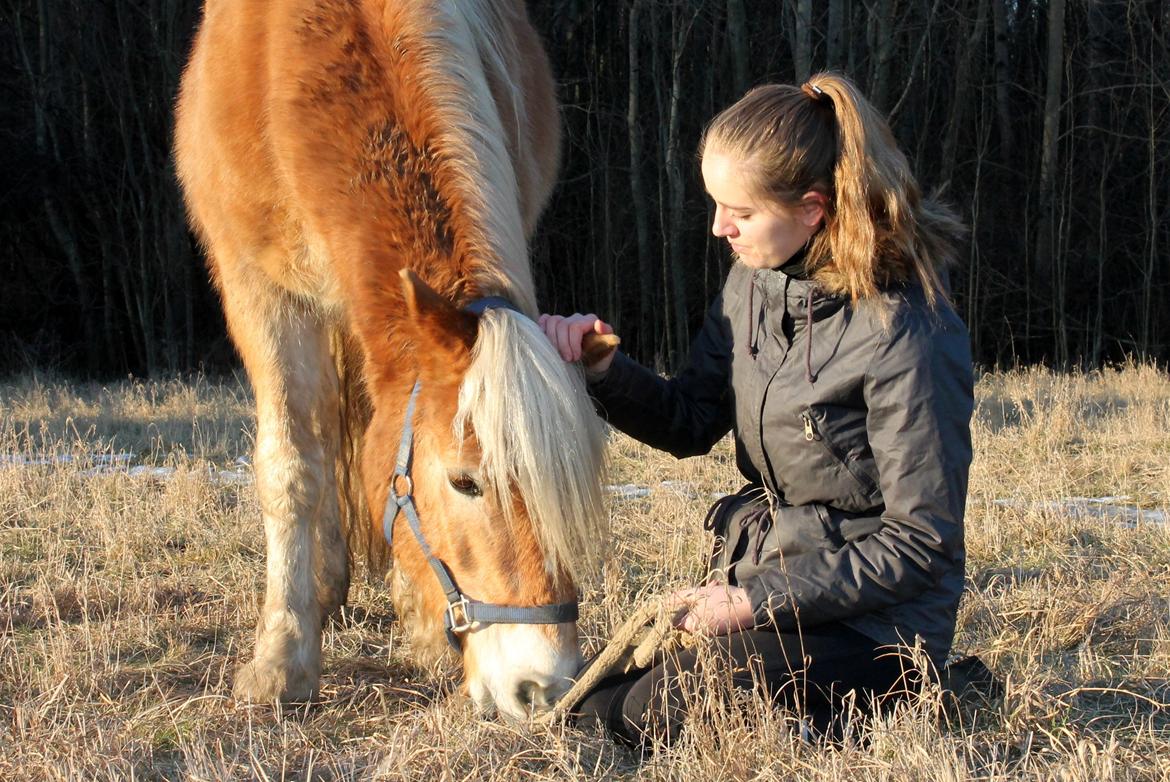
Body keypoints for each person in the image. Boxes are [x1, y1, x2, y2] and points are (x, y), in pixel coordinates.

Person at [538, 73, 974, 747]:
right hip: (779, 590)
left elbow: (921, 544)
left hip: (877, 627)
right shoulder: (753, 283)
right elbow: (689, 419)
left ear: (811, 208)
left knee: (652, 715)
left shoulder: (910, 336)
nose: (719, 227)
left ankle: (910, 700)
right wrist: (603, 369)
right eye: (716, 203)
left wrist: (748, 603)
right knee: (599, 707)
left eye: (738, 212)